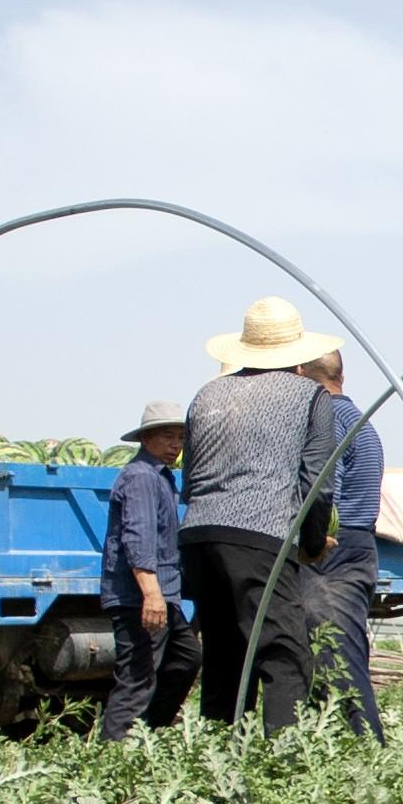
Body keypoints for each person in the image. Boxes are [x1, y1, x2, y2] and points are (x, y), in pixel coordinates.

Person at [180, 296, 344, 733]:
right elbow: (318, 483)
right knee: (284, 656)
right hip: (260, 537)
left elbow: (189, 478)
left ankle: (219, 762)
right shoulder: (309, 396)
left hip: (199, 536)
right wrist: (311, 545)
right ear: (297, 355)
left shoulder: (207, 394)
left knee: (224, 658)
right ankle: (281, 772)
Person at [300, 349, 386, 742]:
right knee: (339, 648)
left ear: (302, 374)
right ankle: (336, 741)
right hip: (359, 544)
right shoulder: (359, 420)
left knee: (335, 653)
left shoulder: (327, 421)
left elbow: (319, 486)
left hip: (332, 547)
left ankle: (368, 746)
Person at [99, 398, 195, 739]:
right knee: (137, 678)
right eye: (168, 436)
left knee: (186, 658)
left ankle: (147, 735)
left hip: (164, 593)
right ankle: (111, 758)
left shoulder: (162, 477)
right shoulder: (140, 476)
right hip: (138, 596)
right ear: (145, 439)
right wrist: (151, 594)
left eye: (180, 438)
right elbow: (137, 538)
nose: (175, 445)